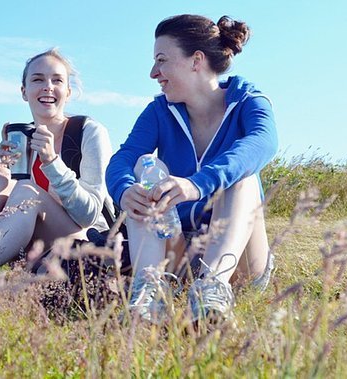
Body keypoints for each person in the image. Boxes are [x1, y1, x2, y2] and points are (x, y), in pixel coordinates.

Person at [106, 14, 277, 324]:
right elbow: (125, 156)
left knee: (243, 175)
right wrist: (124, 190)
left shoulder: (249, 101)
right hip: (180, 251)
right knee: (146, 168)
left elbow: (263, 143)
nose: (153, 73)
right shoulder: (159, 111)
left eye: (162, 60)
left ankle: (213, 289)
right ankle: (150, 295)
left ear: (196, 60)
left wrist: (197, 184)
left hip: (239, 260)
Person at [0, 48, 112, 269]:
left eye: (57, 80)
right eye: (38, 79)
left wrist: (52, 162)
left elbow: (88, 215)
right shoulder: (21, 139)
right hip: (33, 237)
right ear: (24, 92)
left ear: (68, 92)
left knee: (26, 190)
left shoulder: (88, 132)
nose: (48, 86)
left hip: (86, 240)